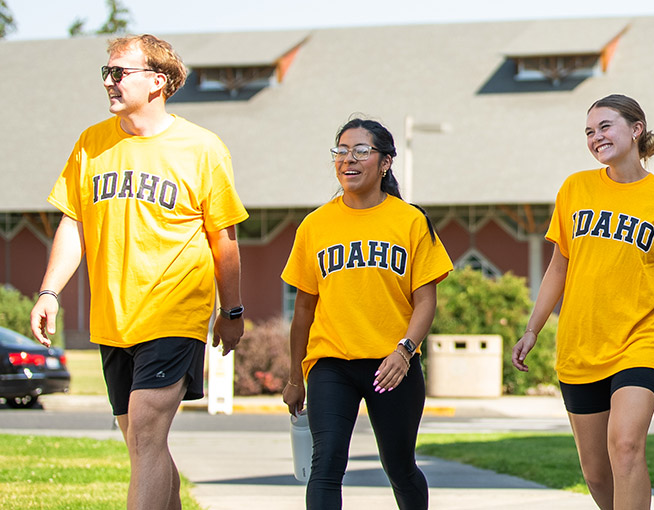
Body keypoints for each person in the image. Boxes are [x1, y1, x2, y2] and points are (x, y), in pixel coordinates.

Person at [28, 34, 248, 509]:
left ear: (158, 81)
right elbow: (74, 222)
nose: (109, 81)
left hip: (174, 311)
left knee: (146, 428)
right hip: (114, 321)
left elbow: (223, 239)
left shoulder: (202, 148)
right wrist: (49, 291)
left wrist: (231, 310)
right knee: (142, 444)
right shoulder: (91, 143)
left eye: (119, 72)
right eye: (106, 72)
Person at [512, 94, 654, 510]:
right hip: (581, 344)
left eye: (605, 126)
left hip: (641, 341)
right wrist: (533, 328)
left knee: (626, 446)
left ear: (636, 129)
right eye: (589, 131)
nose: (596, 136)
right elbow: (558, 269)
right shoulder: (575, 188)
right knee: (596, 472)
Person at [280, 118, 452, 510]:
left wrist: (405, 350)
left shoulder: (410, 221)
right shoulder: (315, 225)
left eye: (361, 150)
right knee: (325, 465)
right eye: (341, 151)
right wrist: (295, 377)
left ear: (385, 162)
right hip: (331, 363)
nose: (348, 159)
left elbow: (425, 301)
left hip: (392, 364)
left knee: (399, 466)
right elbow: (303, 309)